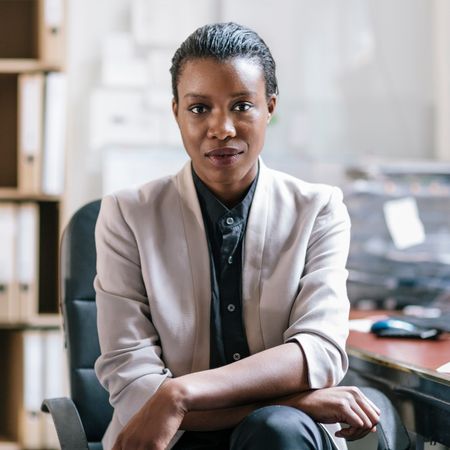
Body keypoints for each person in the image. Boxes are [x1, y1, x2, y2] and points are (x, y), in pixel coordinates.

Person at [94, 22, 380, 450]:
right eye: (198, 109)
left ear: (270, 108)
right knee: (279, 421)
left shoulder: (318, 209)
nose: (221, 128)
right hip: (173, 442)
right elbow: (137, 388)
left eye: (242, 106)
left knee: (277, 430)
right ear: (176, 112)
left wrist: (180, 393)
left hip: (280, 438)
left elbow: (319, 351)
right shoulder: (127, 215)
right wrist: (301, 401)